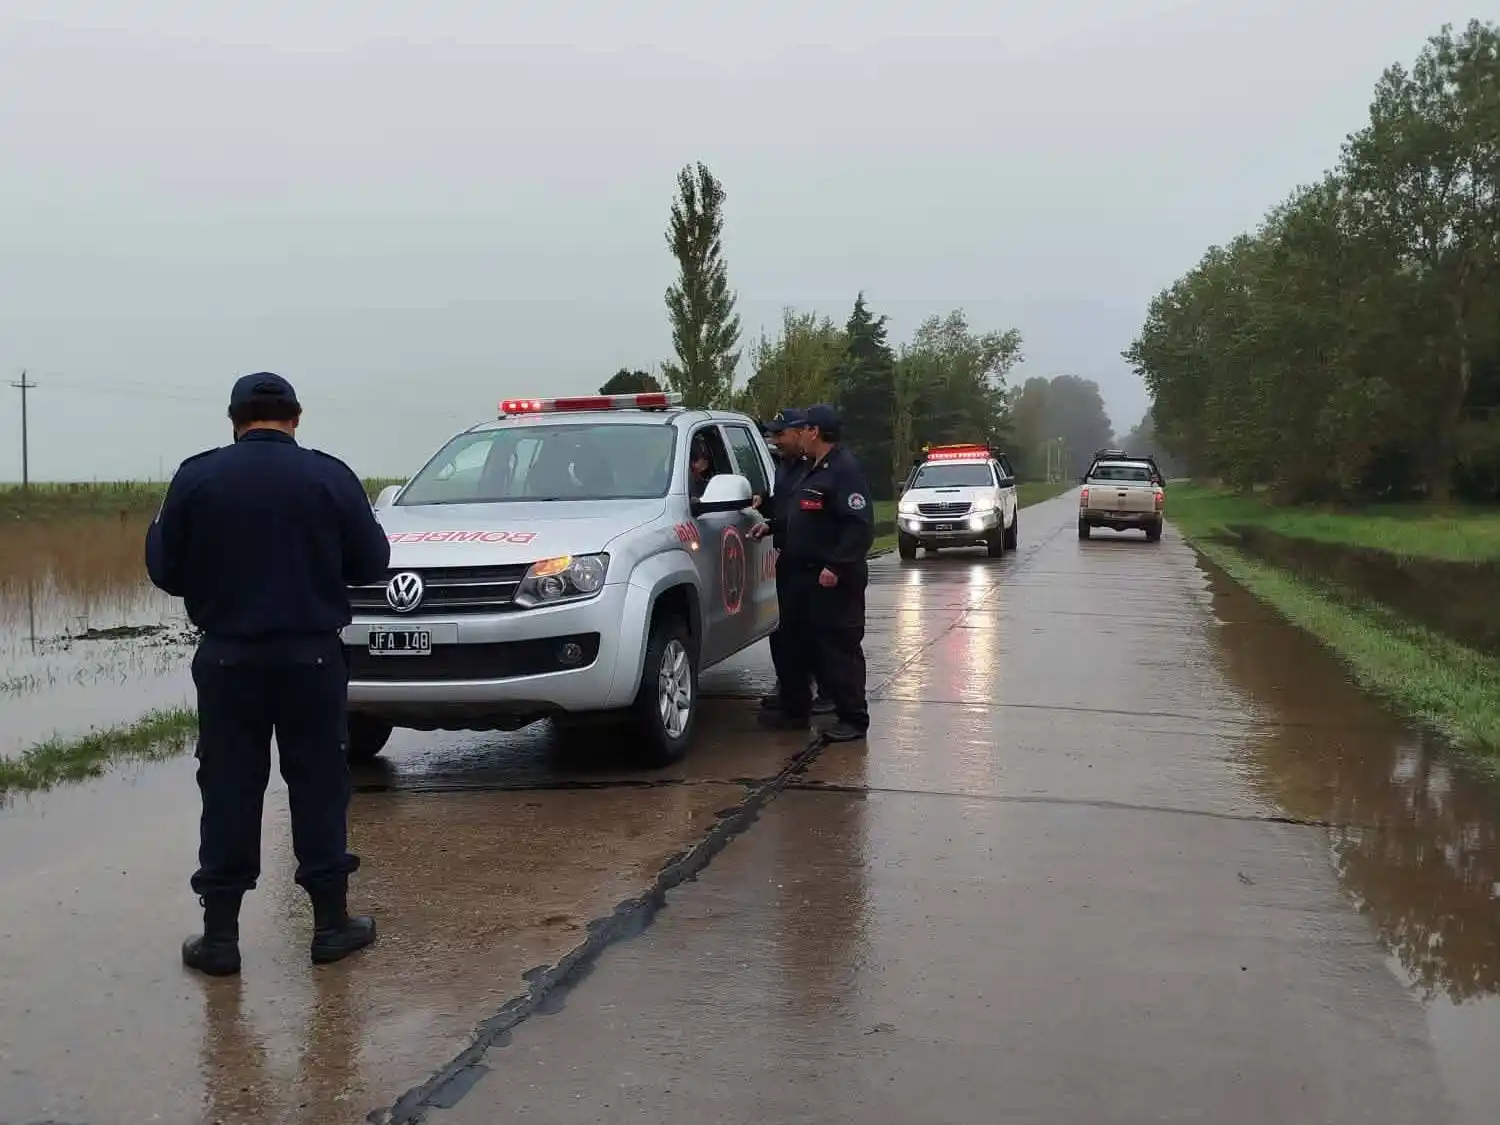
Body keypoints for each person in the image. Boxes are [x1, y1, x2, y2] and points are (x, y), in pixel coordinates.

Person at [145, 372, 392, 977]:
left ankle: (220, 938)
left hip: (228, 658)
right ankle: (332, 926)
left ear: (233, 420)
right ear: (296, 417)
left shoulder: (196, 476)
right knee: (319, 783)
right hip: (311, 657)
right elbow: (372, 562)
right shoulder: (331, 476)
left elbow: (162, 566)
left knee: (228, 785)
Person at [752, 404, 873, 742]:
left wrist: (836, 566)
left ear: (815, 432)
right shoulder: (811, 470)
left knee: (838, 648)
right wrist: (773, 526)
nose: (799, 434)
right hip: (798, 572)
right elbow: (800, 516)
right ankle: (795, 711)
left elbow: (859, 527)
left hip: (830, 577)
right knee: (794, 644)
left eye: (803, 429)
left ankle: (852, 718)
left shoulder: (844, 471)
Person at [755, 409, 833, 716]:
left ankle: (828, 691)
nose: (775, 441)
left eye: (780, 434)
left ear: (799, 432)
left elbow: (811, 511)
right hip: (787, 555)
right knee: (785, 627)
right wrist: (766, 504)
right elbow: (786, 507)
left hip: (814, 558)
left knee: (818, 628)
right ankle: (790, 687)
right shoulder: (783, 467)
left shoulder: (813, 467)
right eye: (773, 435)